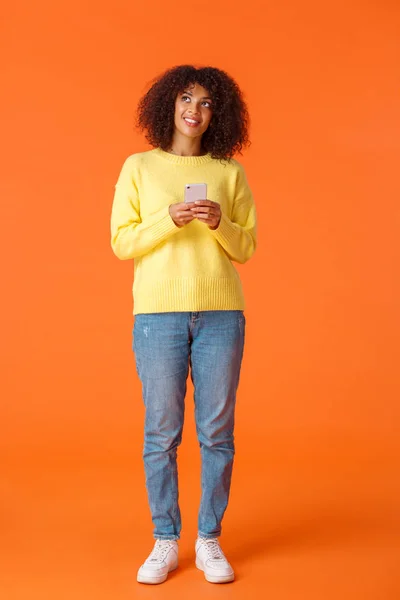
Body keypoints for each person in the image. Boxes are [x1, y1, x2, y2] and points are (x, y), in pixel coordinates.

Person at [110, 64, 257, 585]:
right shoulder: (139, 167)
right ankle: (166, 540)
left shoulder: (228, 170)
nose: (195, 111)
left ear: (219, 114)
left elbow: (248, 247)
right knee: (161, 433)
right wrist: (167, 218)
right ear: (168, 106)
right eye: (186, 100)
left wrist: (221, 225)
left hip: (220, 314)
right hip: (157, 315)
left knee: (217, 433)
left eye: (207, 103)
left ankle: (210, 539)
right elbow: (121, 241)